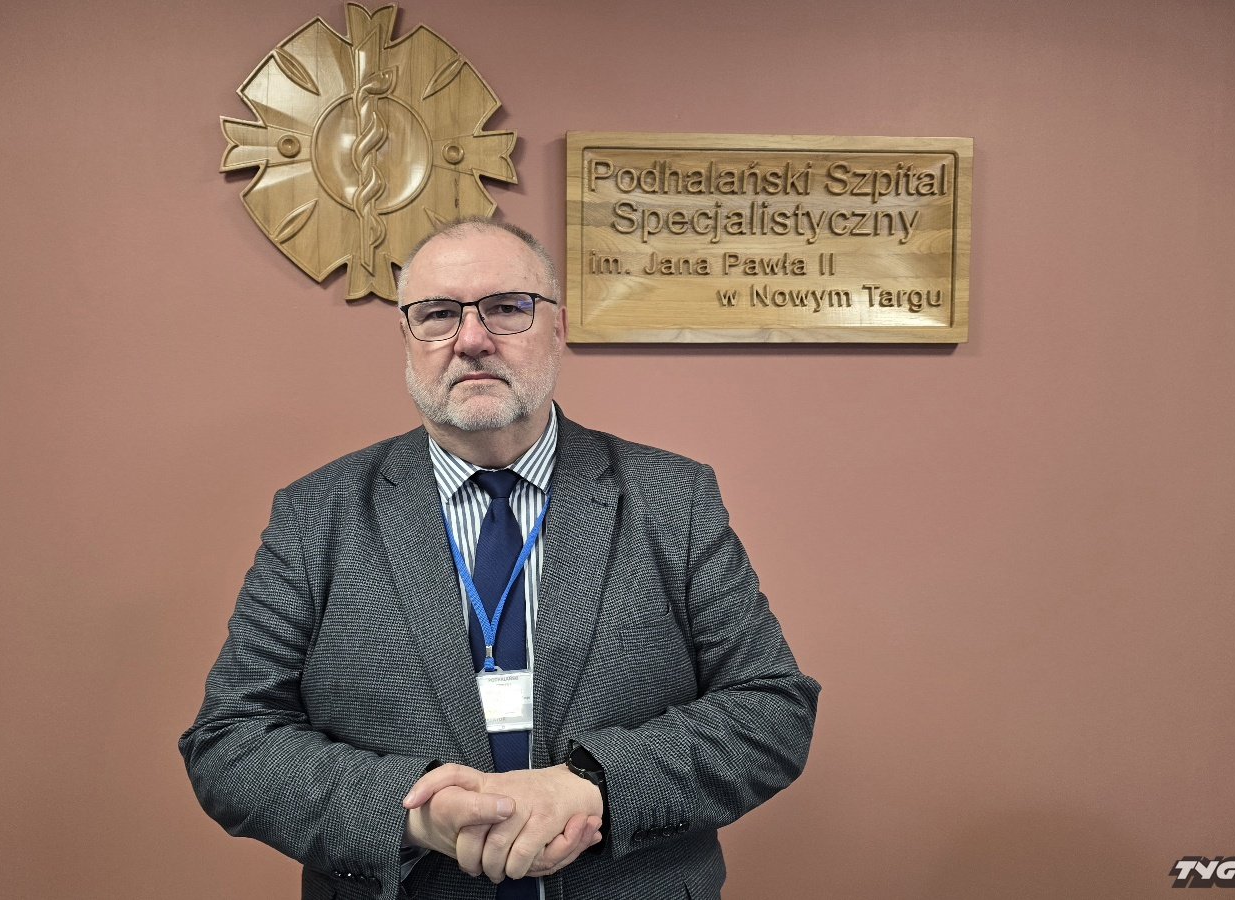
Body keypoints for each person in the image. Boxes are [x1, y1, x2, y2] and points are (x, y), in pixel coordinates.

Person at [180, 218, 820, 900]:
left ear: (558, 328)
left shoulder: (671, 496)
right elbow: (231, 741)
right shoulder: (317, 513)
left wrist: (594, 788)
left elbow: (771, 708)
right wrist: (413, 814)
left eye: (507, 307)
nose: (472, 339)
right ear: (407, 337)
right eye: (438, 314)